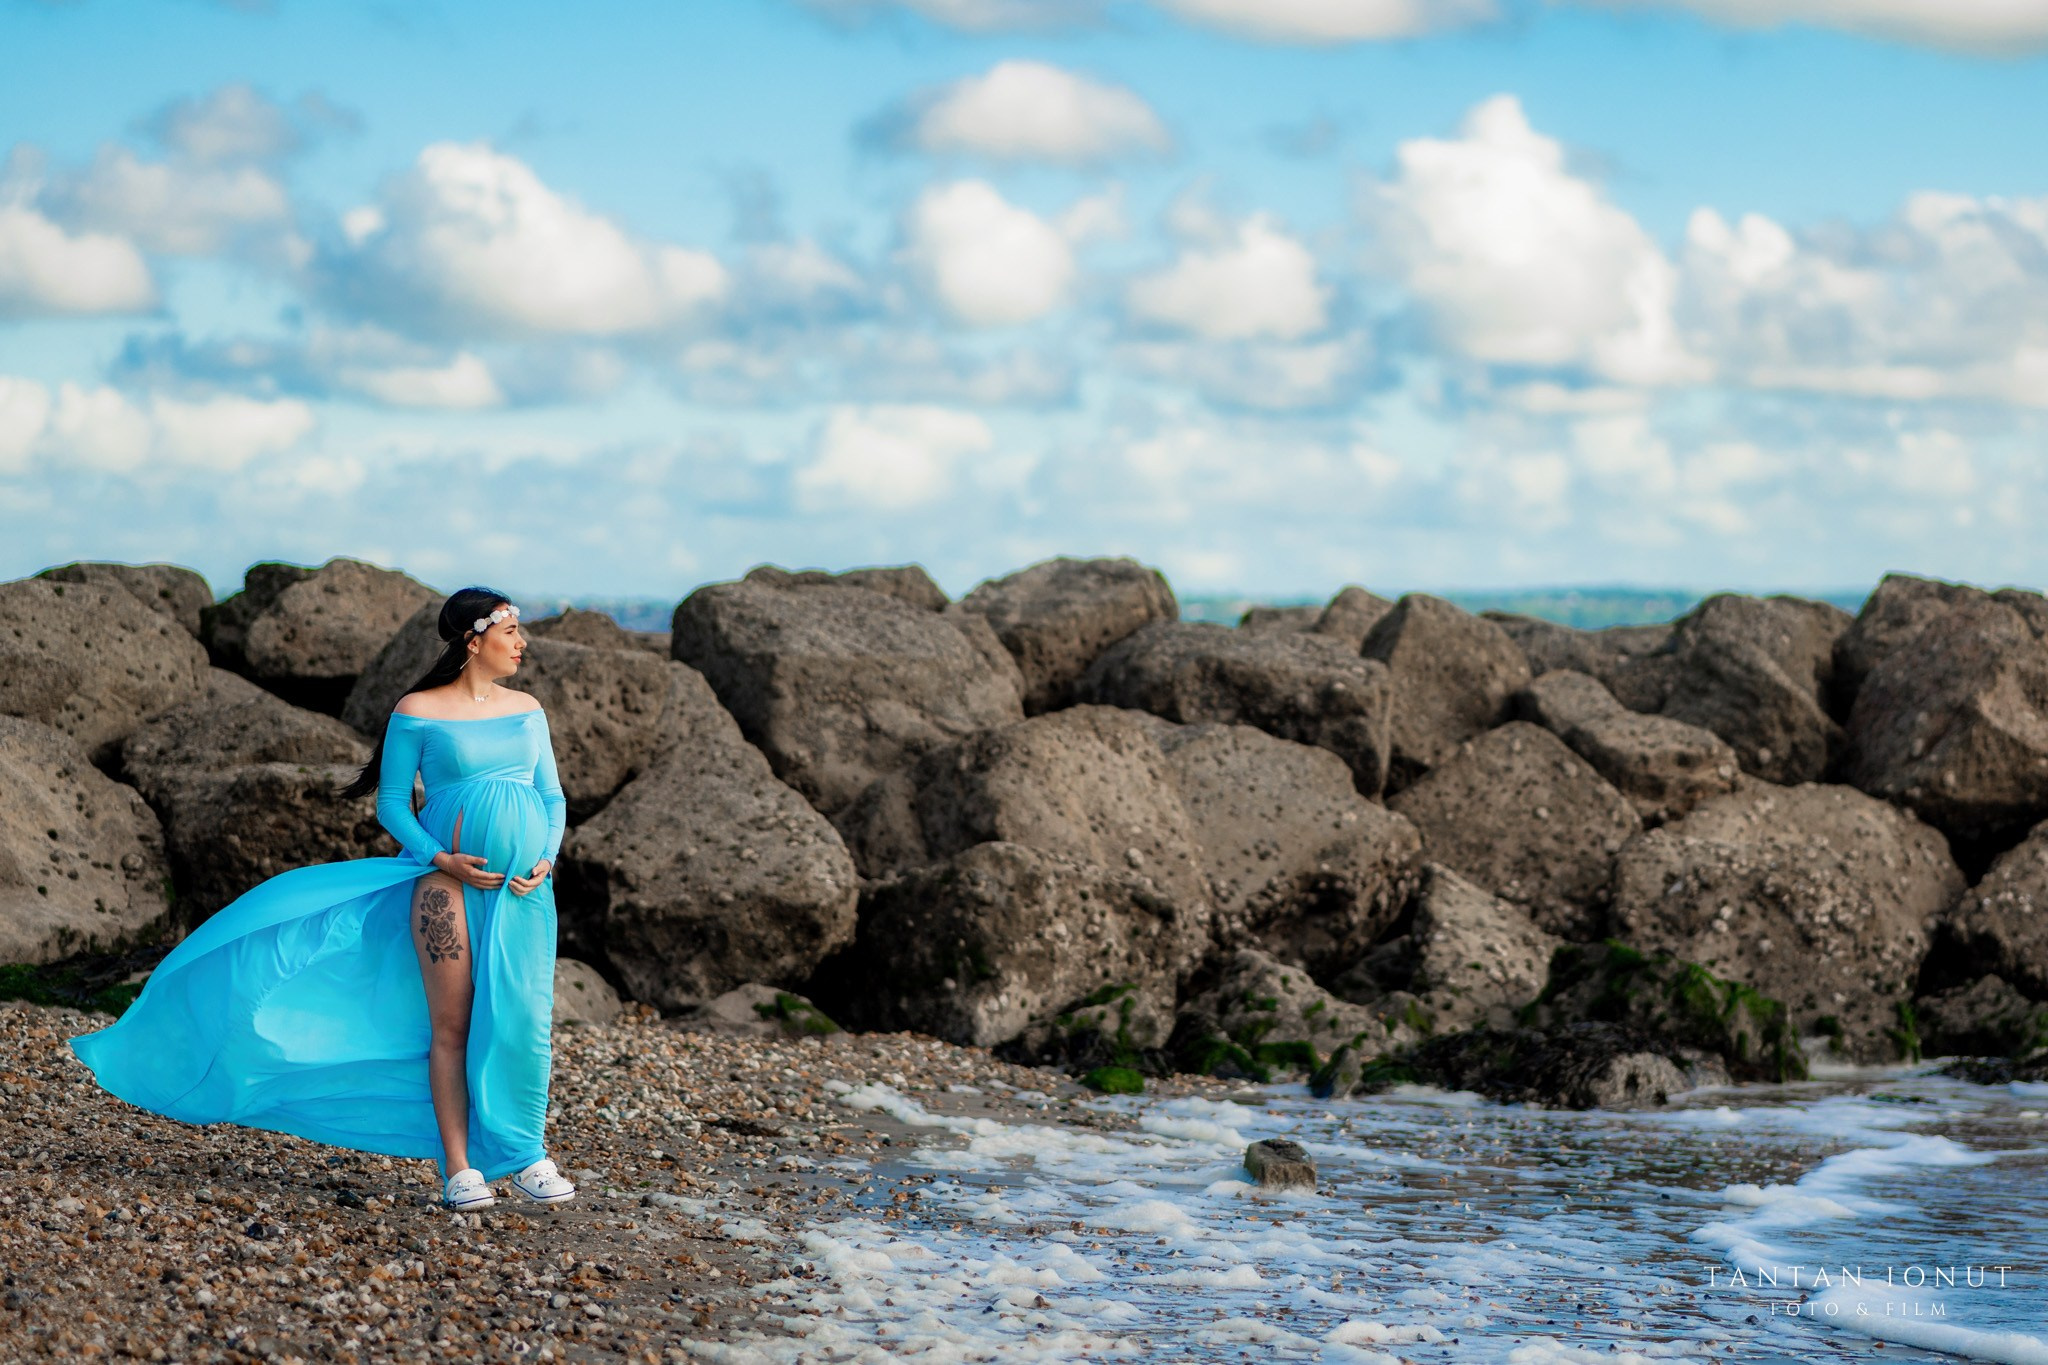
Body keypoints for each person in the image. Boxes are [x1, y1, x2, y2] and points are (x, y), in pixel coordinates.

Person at [69, 586, 577, 1211]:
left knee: (522, 1023)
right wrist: (439, 858)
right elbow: (392, 803)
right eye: (511, 631)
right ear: (475, 640)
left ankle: (525, 1154)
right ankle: (459, 1168)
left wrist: (546, 856)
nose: (523, 643)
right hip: (444, 887)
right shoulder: (417, 710)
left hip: (525, 888)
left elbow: (551, 798)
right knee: (452, 1024)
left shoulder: (527, 708)